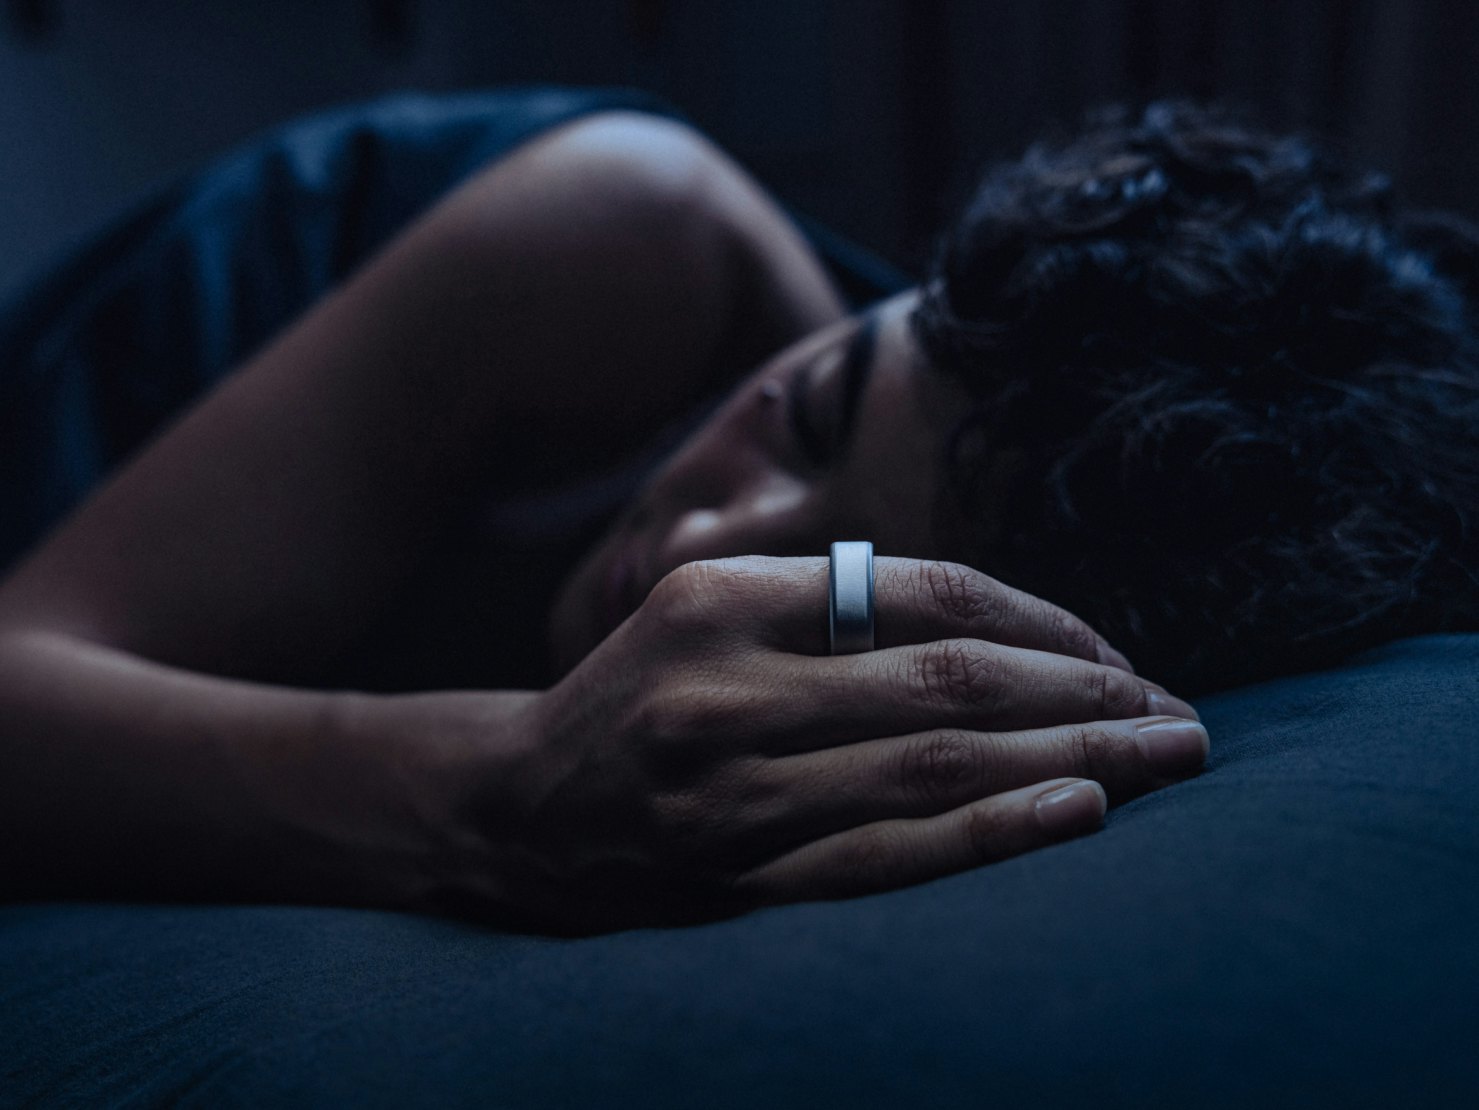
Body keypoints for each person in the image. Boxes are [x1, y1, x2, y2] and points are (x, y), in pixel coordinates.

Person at [0, 92, 1472, 936]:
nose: (701, 556)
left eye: (837, 604)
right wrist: (491, 792)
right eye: (807, 410)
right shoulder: (622, 229)